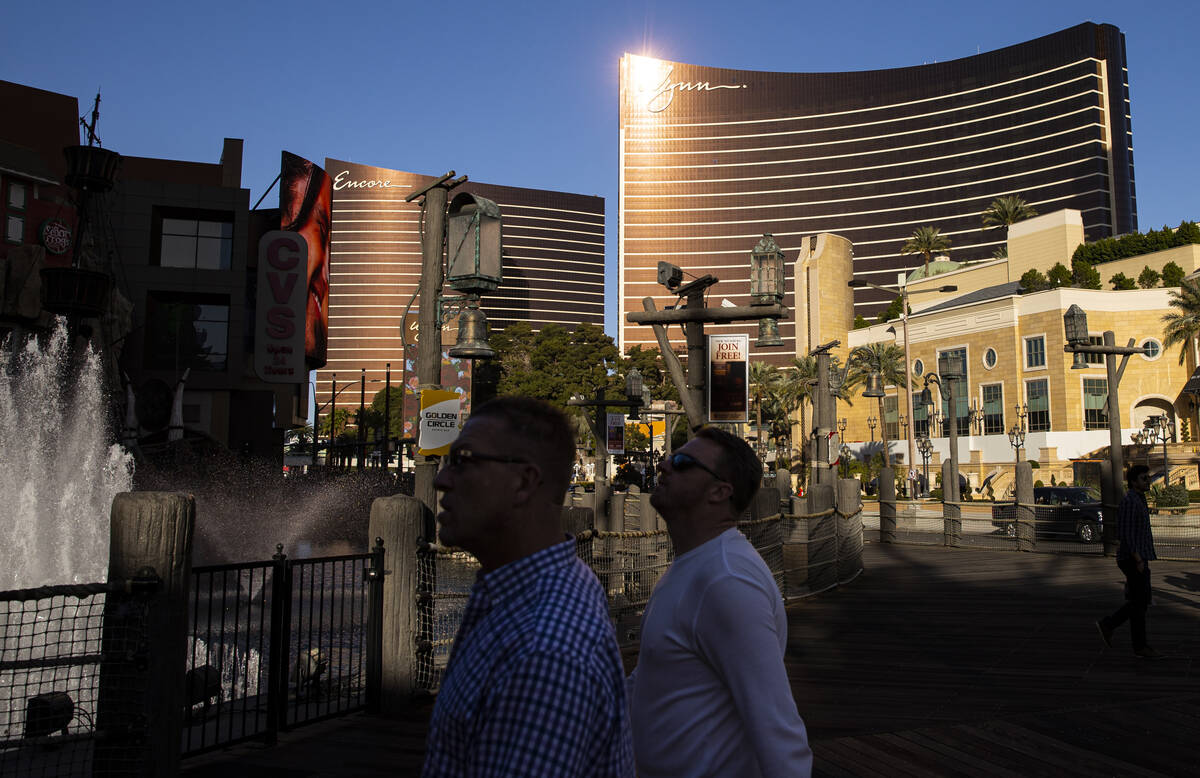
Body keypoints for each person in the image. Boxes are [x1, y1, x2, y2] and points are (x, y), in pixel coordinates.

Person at [423, 397, 634, 777]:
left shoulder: (544, 654)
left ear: (524, 482)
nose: (441, 479)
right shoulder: (548, 580)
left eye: (464, 459)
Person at [628, 426, 813, 777]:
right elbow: (656, 675)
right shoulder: (696, 564)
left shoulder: (728, 582)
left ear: (719, 491)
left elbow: (779, 732)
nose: (665, 465)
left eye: (682, 462)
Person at [1096, 464, 1162, 659]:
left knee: (1139, 603)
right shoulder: (1130, 501)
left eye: (1148, 478)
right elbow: (1126, 533)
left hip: (1139, 557)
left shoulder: (1139, 499)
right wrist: (1138, 559)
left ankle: (1138, 644)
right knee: (1139, 603)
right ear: (1133, 482)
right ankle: (1111, 626)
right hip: (1133, 559)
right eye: (1144, 478)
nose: (1148, 481)